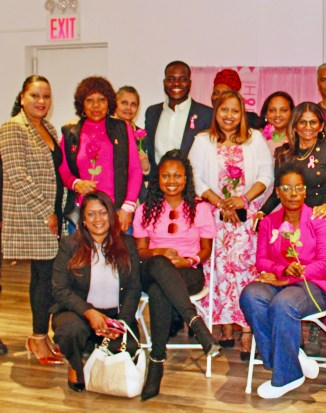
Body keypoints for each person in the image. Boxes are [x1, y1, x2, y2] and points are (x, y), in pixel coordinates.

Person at [240, 163, 326, 399]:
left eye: (299, 188)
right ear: (277, 192)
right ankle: (291, 356)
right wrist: (283, 269)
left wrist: (289, 279)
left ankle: (287, 375)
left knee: (283, 303)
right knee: (251, 295)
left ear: (305, 191)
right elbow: (262, 261)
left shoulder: (318, 219)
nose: (294, 193)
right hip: (281, 281)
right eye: (287, 188)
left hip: (316, 286)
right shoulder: (269, 223)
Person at [189, 90, 273, 359]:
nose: (229, 116)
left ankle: (247, 332)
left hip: (246, 219)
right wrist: (221, 202)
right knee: (219, 272)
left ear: (242, 114)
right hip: (214, 218)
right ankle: (225, 327)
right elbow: (195, 179)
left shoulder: (255, 139)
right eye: (224, 110)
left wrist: (241, 199)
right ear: (216, 112)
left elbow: (266, 176)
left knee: (245, 271)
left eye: (234, 111)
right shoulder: (203, 141)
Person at [133, 149, 221, 400]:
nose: (171, 181)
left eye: (177, 176)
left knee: (160, 290)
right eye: (165, 176)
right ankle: (196, 324)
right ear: (157, 179)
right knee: (160, 265)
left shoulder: (200, 208)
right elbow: (141, 252)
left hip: (188, 273)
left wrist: (187, 260)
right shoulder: (145, 209)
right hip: (151, 267)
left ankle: (156, 361)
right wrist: (159, 251)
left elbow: (206, 251)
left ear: (186, 179)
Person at [0, 75, 64, 365]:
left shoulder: (48, 128)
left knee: (46, 278)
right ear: (23, 97)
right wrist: (46, 211)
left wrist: (58, 209)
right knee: (42, 279)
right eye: (35, 96)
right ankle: (38, 338)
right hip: (31, 216)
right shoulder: (12, 129)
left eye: (46, 96)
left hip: (51, 216)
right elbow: (17, 175)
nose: (41, 101)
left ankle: (41, 334)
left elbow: (55, 173)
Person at [51, 191, 141, 392]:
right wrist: (89, 313)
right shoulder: (69, 245)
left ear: (111, 215)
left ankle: (97, 344)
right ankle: (75, 364)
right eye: (91, 214)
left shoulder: (127, 244)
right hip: (79, 313)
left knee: (128, 351)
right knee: (69, 330)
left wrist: (121, 322)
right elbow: (60, 289)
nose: (98, 219)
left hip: (115, 316)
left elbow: (134, 287)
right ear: (83, 219)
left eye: (102, 213)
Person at [59, 76, 142, 232]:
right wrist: (76, 183)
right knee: (81, 257)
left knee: (119, 257)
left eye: (101, 100)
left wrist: (127, 208)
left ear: (109, 102)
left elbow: (135, 170)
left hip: (117, 213)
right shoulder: (70, 133)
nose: (95, 105)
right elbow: (63, 170)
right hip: (83, 215)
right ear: (81, 104)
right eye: (89, 100)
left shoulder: (123, 128)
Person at [260, 102, 326, 240]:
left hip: (320, 221)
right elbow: (277, 192)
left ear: (321, 126)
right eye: (302, 122)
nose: (307, 127)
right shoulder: (284, 153)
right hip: (291, 224)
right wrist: (262, 212)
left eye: (313, 122)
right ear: (295, 126)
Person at [144, 60, 213, 177]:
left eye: (182, 79)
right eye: (171, 79)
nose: (176, 84)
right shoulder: (152, 112)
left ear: (190, 83)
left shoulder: (206, 114)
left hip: (191, 187)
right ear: (164, 82)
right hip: (156, 186)